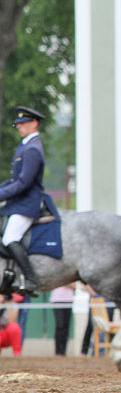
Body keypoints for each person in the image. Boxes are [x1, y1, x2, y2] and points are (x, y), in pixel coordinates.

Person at [0, 106, 47, 296]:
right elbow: (13, 180)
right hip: (18, 201)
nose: (19, 127)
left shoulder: (33, 149)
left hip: (27, 203)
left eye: (23, 124)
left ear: (34, 124)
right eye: (18, 124)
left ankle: (30, 279)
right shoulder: (25, 146)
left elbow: (23, 183)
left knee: (10, 237)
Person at [49, 282, 75, 356]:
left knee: (66, 326)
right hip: (57, 300)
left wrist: (65, 282)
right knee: (60, 325)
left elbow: (74, 286)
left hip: (69, 300)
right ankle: (58, 351)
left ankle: (63, 352)